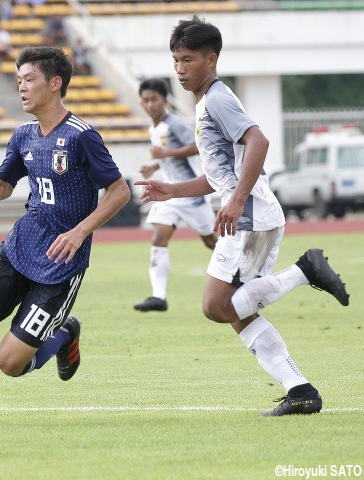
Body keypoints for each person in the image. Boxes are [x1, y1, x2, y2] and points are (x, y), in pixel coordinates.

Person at [135, 16, 350, 416]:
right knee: (235, 311)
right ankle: (300, 390)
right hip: (251, 212)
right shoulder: (207, 102)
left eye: (188, 59)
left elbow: (259, 141)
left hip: (249, 216)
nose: (180, 68)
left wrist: (235, 201)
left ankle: (305, 271)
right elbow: (219, 174)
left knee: (217, 306)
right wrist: (173, 189)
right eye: (175, 59)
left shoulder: (216, 98)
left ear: (211, 59)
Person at [0, 46, 131, 404]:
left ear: (55, 83)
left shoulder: (81, 136)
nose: (22, 87)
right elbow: (2, 186)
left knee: (9, 363)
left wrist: (80, 231)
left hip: (60, 264)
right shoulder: (24, 134)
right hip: (19, 247)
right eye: (18, 81)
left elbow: (119, 192)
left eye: (29, 79)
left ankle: (63, 335)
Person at [133, 78, 217, 313]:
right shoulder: (154, 128)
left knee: (211, 241)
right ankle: (159, 297)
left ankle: (240, 271)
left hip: (191, 193)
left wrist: (165, 152)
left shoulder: (174, 124)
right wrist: (154, 166)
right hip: (167, 194)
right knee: (159, 238)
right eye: (146, 100)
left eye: (154, 100)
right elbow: (168, 158)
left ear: (165, 101)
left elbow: (197, 145)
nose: (150, 104)